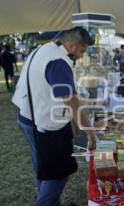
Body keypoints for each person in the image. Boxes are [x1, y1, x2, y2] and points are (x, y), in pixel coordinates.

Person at [12, 27, 98, 206]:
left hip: (27, 117)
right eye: (82, 51)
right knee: (57, 173)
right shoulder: (58, 62)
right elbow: (71, 101)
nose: (82, 56)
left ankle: (52, 202)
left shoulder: (45, 49)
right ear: (72, 45)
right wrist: (90, 132)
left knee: (44, 167)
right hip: (44, 124)